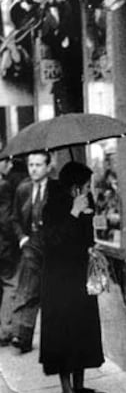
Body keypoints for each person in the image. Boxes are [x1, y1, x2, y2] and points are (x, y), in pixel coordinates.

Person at [40, 161, 106, 393]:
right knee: (64, 334)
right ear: (75, 187)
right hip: (59, 283)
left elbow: (84, 240)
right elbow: (53, 242)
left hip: (81, 279)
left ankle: (80, 386)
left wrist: (91, 241)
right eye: (86, 185)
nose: (90, 190)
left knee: (83, 331)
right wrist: (74, 213)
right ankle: (67, 392)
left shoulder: (85, 204)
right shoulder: (53, 208)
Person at [11, 151, 54, 353]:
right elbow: (15, 218)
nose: (34, 169)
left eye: (38, 165)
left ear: (48, 167)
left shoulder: (56, 190)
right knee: (29, 291)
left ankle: (55, 337)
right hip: (31, 245)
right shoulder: (23, 189)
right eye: (31, 165)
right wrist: (22, 238)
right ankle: (23, 337)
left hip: (53, 247)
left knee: (52, 292)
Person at [0, 160, 19, 345]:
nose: (10, 166)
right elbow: (5, 220)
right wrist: (16, 240)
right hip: (3, 246)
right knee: (10, 283)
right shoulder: (3, 186)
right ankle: (5, 330)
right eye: (6, 161)